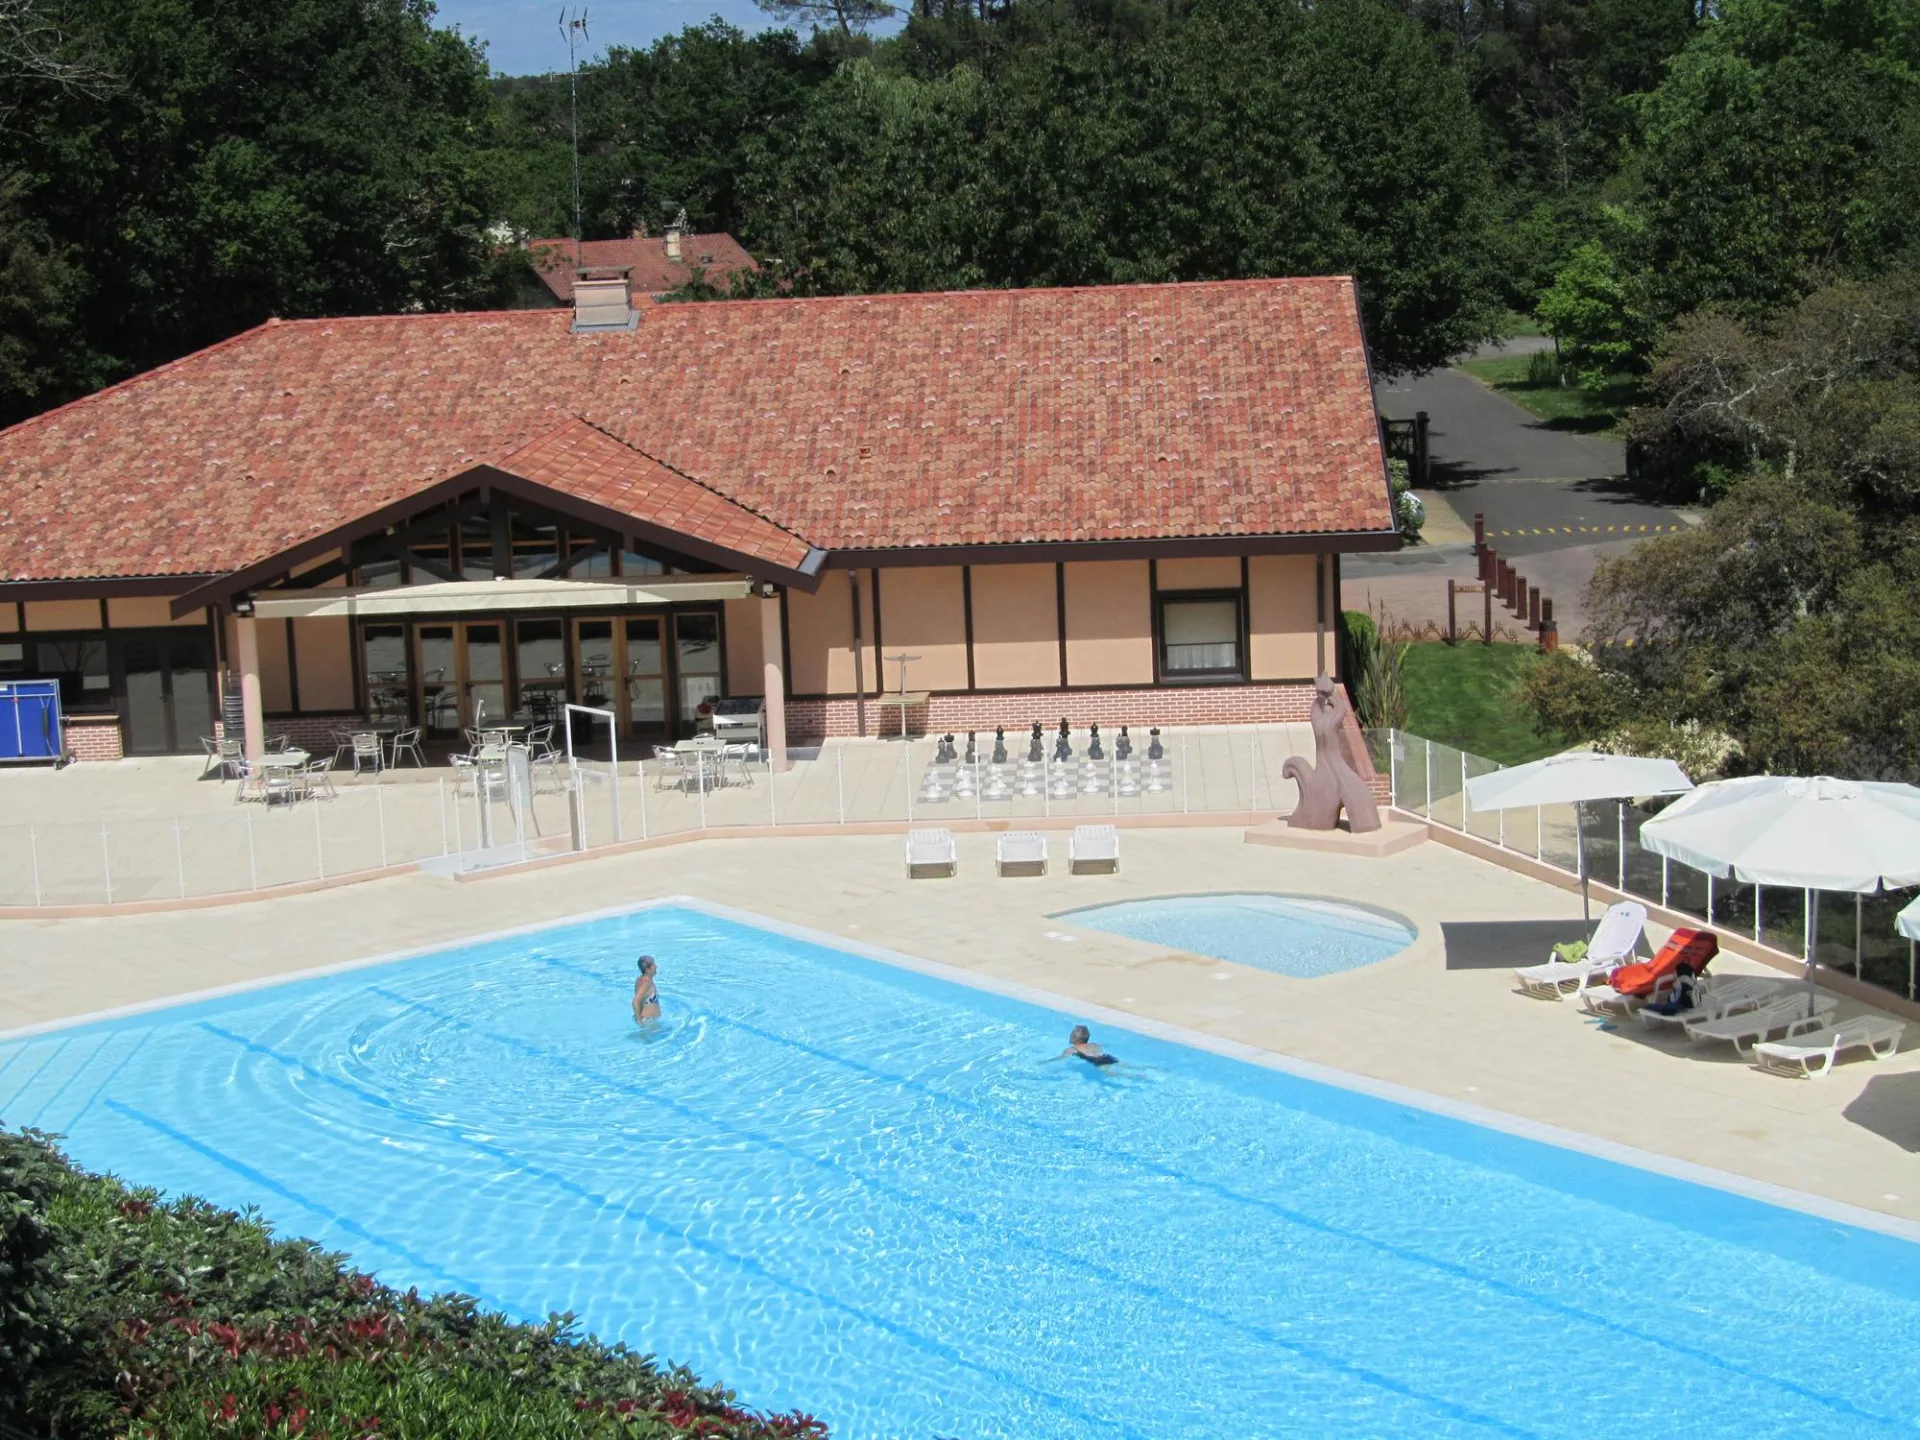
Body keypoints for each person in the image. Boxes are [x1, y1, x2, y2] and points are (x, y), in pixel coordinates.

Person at [632, 955, 661, 1025]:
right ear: (648, 968)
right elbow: (635, 1001)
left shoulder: (640, 979)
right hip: (648, 1022)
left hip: (648, 1020)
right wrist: (640, 1022)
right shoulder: (646, 982)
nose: (656, 966)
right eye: (654, 964)